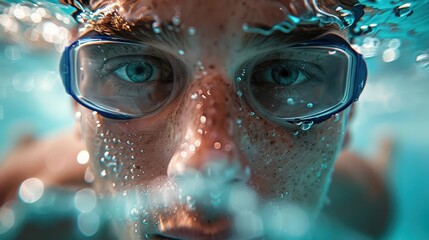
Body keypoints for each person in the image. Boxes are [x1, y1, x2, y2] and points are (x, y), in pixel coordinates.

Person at [0, 0, 391, 239]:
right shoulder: (19, 199)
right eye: (138, 70)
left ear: (349, 111)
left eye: (284, 73)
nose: (206, 165)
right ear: (76, 105)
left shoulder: (366, 208)